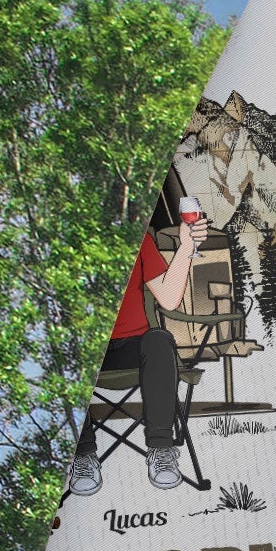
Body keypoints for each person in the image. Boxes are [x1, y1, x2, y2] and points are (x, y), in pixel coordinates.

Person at [68, 201, 209, 493]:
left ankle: (161, 450)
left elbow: (169, 299)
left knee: (159, 339)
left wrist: (185, 247)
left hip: (135, 347)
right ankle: (83, 455)